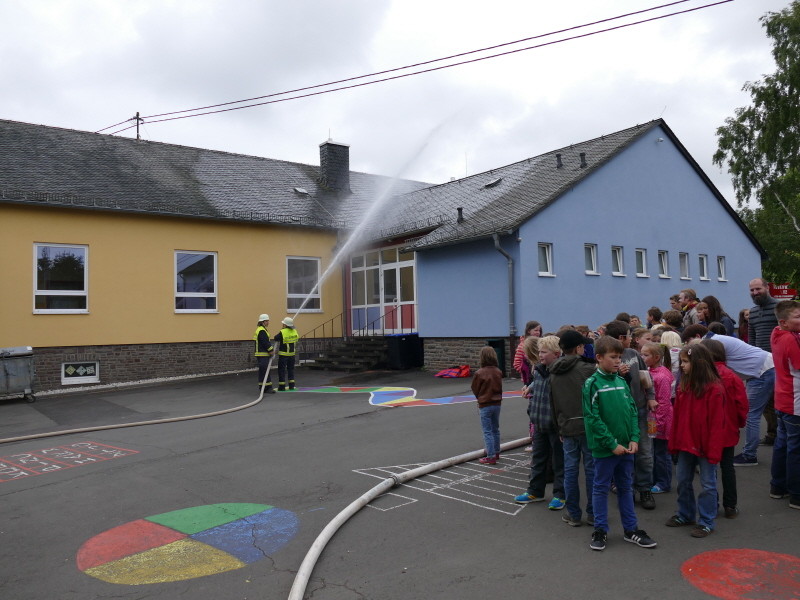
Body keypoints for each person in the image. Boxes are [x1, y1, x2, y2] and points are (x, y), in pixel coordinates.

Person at [583, 336, 657, 551]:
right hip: (606, 449)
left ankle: (631, 529)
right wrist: (611, 443)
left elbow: (633, 412)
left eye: (619, 357)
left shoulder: (621, 381)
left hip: (626, 447)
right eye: (613, 357)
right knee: (600, 488)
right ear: (598, 358)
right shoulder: (592, 384)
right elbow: (592, 418)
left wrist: (634, 438)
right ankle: (600, 530)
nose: (618, 361)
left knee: (626, 487)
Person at [682, 324, 774, 467]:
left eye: (688, 342)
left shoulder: (713, 344)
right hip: (763, 368)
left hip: (761, 371)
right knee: (768, 410)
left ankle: (749, 455)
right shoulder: (718, 340)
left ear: (698, 337)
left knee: (752, 414)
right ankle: (772, 438)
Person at [666, 344, 726, 538]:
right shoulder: (685, 386)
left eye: (685, 362)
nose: (681, 365)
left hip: (705, 447)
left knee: (708, 484)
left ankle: (706, 521)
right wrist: (674, 442)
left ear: (698, 364)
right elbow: (678, 418)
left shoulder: (714, 389)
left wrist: (714, 451)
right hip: (685, 444)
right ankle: (685, 514)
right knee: (683, 480)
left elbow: (717, 424)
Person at [604, 320, 657, 510]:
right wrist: (619, 375)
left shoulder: (634, 354)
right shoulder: (605, 358)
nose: (631, 338)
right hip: (618, 414)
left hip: (639, 409)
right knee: (620, 452)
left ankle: (644, 489)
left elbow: (645, 377)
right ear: (621, 338)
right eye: (628, 335)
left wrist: (650, 397)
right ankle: (625, 487)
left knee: (644, 452)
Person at [551, 329, 597, 526]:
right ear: (578, 348)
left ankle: (573, 513)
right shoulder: (588, 369)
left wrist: (559, 426)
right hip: (588, 425)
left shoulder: (553, 371)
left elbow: (554, 402)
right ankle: (593, 512)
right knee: (591, 469)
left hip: (566, 425)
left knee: (570, 469)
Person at [514, 336, 565, 509]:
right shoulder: (539, 369)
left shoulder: (560, 373)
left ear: (556, 354)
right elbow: (538, 381)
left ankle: (560, 494)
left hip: (556, 426)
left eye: (544, 352)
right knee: (538, 459)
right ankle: (535, 491)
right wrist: (530, 386)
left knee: (559, 462)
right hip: (539, 422)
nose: (539, 355)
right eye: (539, 351)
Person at [699, 338, 748, 518]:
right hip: (728, 427)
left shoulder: (702, 376)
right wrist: (740, 422)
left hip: (708, 429)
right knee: (727, 466)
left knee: (708, 468)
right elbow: (742, 403)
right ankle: (730, 505)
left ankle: (712, 503)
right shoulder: (731, 376)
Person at [769, 300, 800, 510]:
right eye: (797, 317)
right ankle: (797, 495)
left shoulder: (776, 333)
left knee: (782, 444)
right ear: (784, 322)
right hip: (795, 402)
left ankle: (777, 487)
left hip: (782, 398)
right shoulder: (790, 340)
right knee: (796, 450)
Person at [748, 278, 779, 445]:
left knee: (780, 400)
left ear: (767, 287)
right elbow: (752, 338)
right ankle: (772, 434)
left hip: (779, 362)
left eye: (758, 289)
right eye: (752, 290)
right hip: (761, 363)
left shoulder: (779, 308)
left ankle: (782, 434)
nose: (755, 293)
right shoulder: (752, 312)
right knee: (766, 401)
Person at [641, 342, 674, 494]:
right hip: (652, 420)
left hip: (661, 421)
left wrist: (659, 423)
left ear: (656, 357)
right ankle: (656, 479)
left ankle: (663, 482)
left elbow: (664, 402)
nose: (642, 357)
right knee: (653, 452)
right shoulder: (649, 371)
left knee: (662, 454)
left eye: (645, 355)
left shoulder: (662, 376)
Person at [471, 346, 504, 465]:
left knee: (487, 431)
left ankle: (490, 455)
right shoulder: (498, 371)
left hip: (485, 404)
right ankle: (496, 451)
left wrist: (479, 398)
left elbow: (475, 388)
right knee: (495, 428)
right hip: (497, 403)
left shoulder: (479, 373)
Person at [275, 317, 299, 391]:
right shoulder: (295, 331)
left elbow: (276, 338)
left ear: (285, 324)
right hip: (292, 355)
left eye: (283, 323)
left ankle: (282, 387)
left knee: (281, 370)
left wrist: (282, 330)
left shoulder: (283, 332)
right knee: (290, 370)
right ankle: (291, 385)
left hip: (284, 355)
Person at [253, 314, 276, 393]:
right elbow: (265, 342)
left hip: (262, 354)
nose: (268, 322)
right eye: (267, 321)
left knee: (264, 371)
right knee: (265, 371)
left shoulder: (261, 329)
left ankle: (264, 387)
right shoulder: (262, 331)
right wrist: (271, 350)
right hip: (262, 354)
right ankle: (267, 388)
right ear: (262, 322)